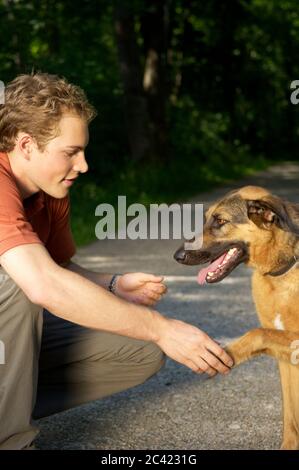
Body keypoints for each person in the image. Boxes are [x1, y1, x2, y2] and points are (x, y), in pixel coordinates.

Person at [0, 73, 233, 450]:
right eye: (71, 152)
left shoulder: (51, 189)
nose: (84, 165)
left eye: (84, 151)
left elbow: (58, 268)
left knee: (138, 352)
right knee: (21, 285)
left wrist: (112, 283)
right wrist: (162, 327)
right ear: (26, 144)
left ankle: (10, 405)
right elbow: (42, 283)